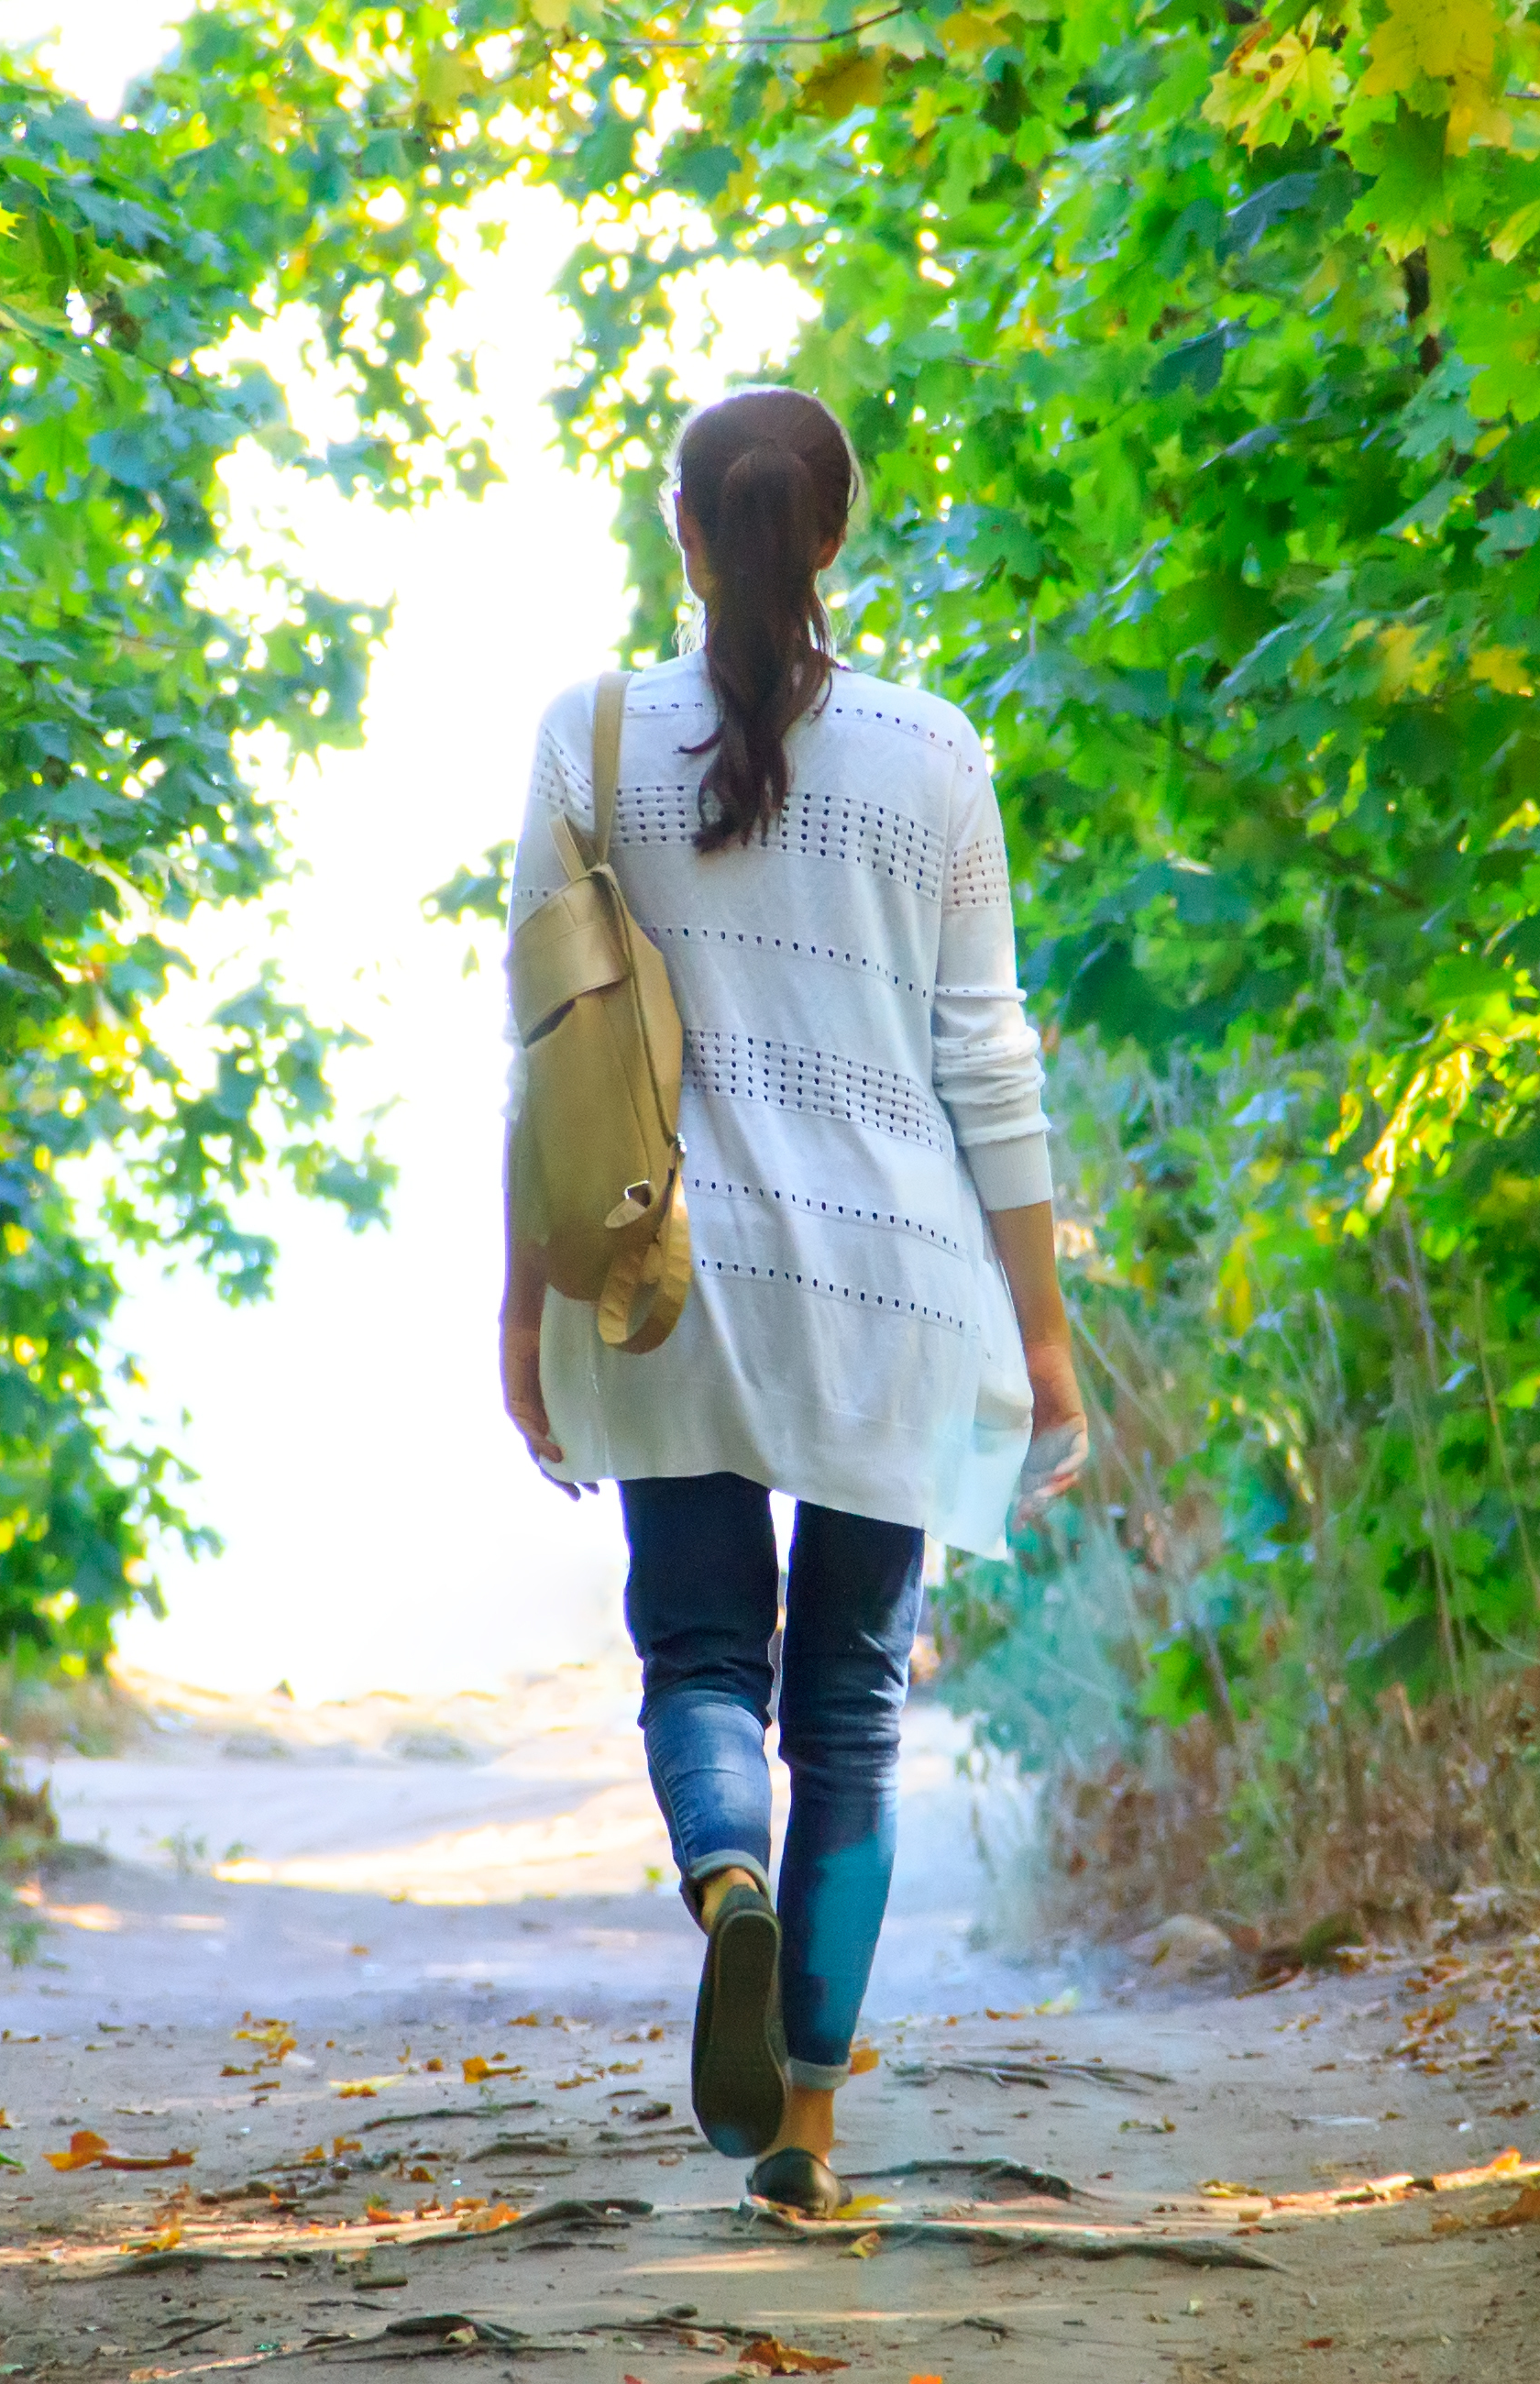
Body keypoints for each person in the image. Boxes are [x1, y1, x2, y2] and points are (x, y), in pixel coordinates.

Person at [496, 386, 1087, 2216]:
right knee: (848, 1711)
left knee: (695, 1660)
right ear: (829, 535)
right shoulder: (937, 758)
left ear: (688, 531)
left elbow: (547, 1054)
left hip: (670, 1283)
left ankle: (723, 1881)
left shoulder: (589, 742)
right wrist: (1044, 1336)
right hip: (892, 1295)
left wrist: (521, 1310)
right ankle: (807, 2138)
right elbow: (988, 1061)